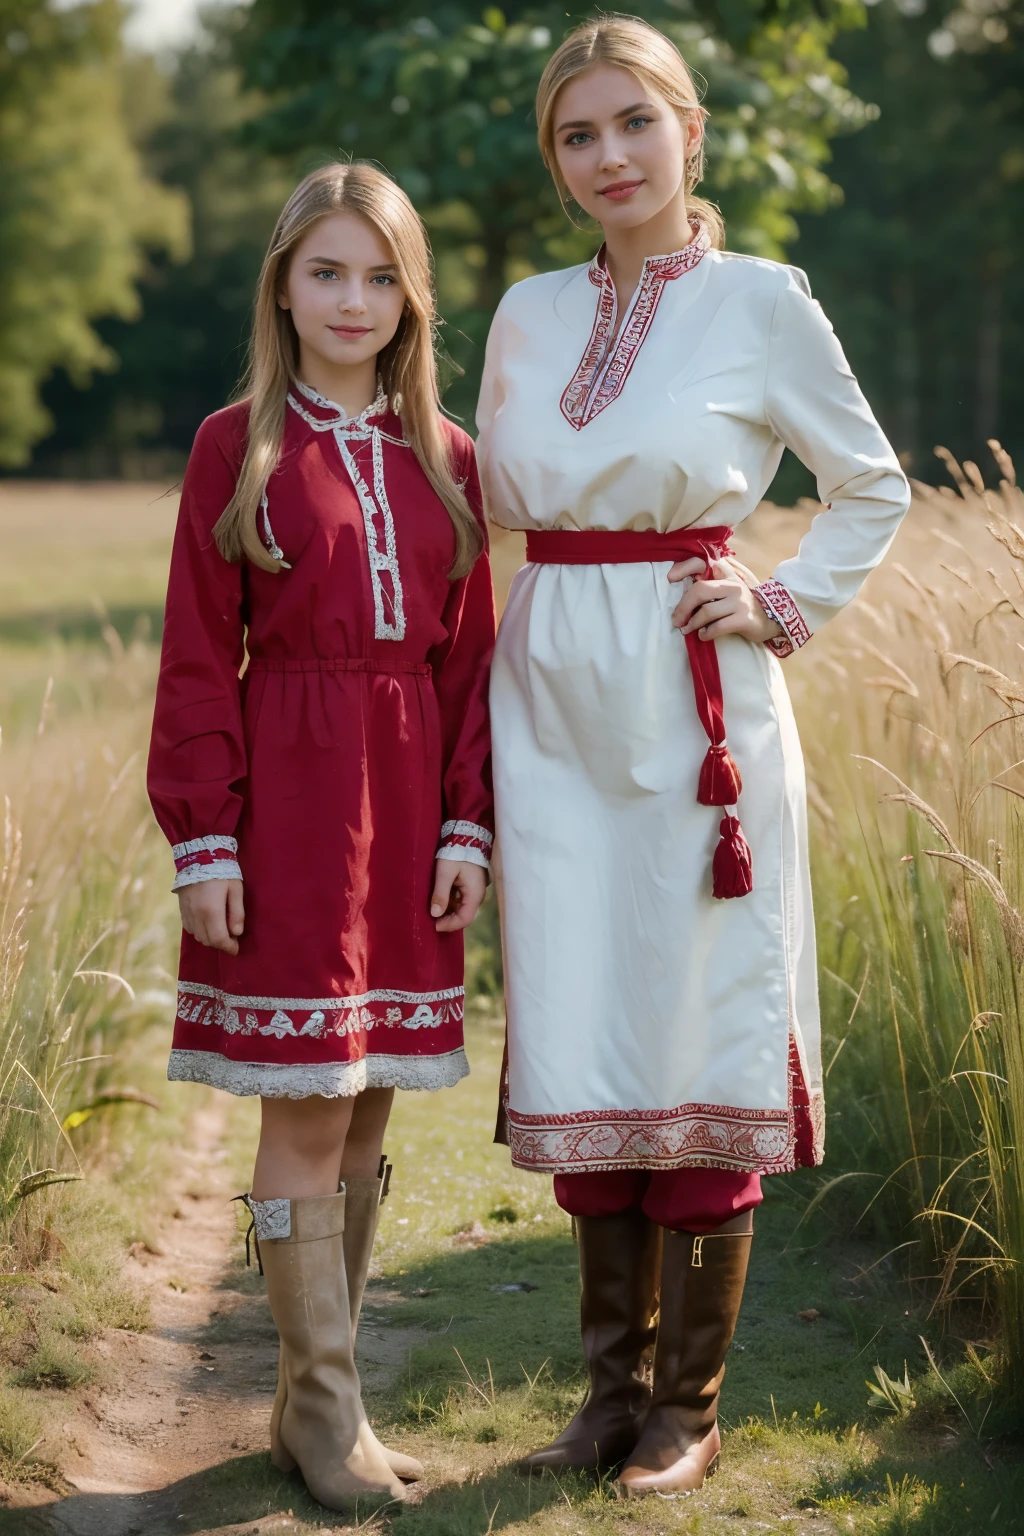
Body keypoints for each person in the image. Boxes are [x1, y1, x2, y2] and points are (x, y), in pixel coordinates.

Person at [477, 16, 909, 1497]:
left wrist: (778, 602)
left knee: (696, 1015)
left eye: (631, 125)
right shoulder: (526, 312)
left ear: (691, 132)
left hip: (692, 701)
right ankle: (605, 1397)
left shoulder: (760, 302)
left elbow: (872, 485)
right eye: (576, 135)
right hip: (546, 703)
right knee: (589, 1014)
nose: (606, 157)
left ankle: (689, 1404)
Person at [147, 161, 494, 1512]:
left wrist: (470, 820)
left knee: (366, 1117)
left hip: (411, 808)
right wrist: (206, 839)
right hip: (289, 803)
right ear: (282, 285)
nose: (353, 301)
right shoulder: (233, 447)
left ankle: (316, 1406)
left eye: (380, 276)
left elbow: (471, 665)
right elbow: (194, 655)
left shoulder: (451, 460)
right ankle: (328, 1416)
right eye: (325, 272)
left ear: (412, 298)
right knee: (307, 1113)